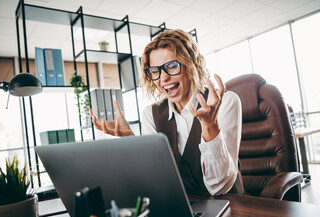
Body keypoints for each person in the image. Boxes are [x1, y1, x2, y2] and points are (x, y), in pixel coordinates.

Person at [90, 29, 244, 196]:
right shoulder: (151, 114)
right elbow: (155, 178)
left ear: (191, 65)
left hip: (232, 207)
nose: (163, 79)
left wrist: (210, 127)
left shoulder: (225, 102)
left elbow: (219, 187)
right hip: (184, 208)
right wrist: (131, 140)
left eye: (171, 67)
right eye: (155, 71)